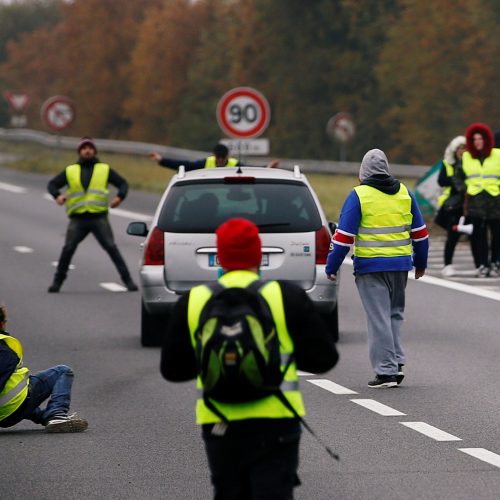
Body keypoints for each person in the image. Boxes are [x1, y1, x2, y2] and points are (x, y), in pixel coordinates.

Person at [160, 218, 338, 500]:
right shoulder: (285, 295)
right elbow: (324, 359)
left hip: (219, 420)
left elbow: (172, 370)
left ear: (219, 256)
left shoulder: (193, 300)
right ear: (258, 255)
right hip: (276, 420)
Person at [325, 149, 428, 388]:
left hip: (371, 267)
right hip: (401, 266)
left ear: (363, 172)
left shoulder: (359, 195)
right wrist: (420, 263)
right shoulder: (405, 193)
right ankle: (397, 361)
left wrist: (332, 265)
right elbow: (420, 234)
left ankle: (386, 372)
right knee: (394, 314)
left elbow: (343, 237)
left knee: (378, 317)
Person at [47, 137, 138, 292]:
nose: (87, 150)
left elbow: (123, 183)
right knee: (68, 249)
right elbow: (52, 184)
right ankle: (57, 282)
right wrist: (57, 196)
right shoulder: (71, 170)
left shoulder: (104, 169)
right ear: (79, 151)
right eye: (84, 148)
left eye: (90, 148)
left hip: (98, 217)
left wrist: (119, 197)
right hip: (78, 219)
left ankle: (128, 280)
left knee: (111, 247)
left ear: (94, 151)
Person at [0, 305, 88, 432]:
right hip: (11, 407)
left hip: (7, 411)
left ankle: (44, 416)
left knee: (23, 389)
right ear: (2, 324)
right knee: (62, 372)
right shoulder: (3, 350)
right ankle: (57, 415)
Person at [458, 123, 500, 277]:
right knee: (478, 236)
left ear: (486, 139)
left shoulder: (497, 155)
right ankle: (482, 264)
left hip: (495, 201)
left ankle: (495, 262)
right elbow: (458, 177)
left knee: (497, 235)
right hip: (476, 202)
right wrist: (465, 189)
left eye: (480, 138)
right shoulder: (467, 157)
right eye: (474, 139)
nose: (477, 142)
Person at [434, 136, 468, 276]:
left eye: (465, 148)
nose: (462, 151)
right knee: (452, 237)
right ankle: (447, 265)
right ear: (454, 150)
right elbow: (442, 181)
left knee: (476, 235)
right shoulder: (447, 164)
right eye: (460, 148)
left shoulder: (472, 164)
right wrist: (456, 179)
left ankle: (481, 265)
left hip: (469, 203)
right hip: (452, 205)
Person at [149, 143, 279, 171]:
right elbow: (185, 165)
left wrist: (267, 168)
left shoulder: (234, 164)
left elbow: (250, 169)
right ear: (214, 156)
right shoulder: (207, 162)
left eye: (223, 157)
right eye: (219, 157)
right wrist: (162, 160)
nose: (221, 160)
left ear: (227, 156)